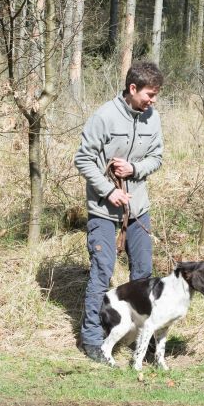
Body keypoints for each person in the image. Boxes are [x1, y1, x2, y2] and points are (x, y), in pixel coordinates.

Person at [74, 62, 164, 364]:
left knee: (143, 275)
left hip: (139, 211)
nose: (153, 101)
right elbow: (83, 160)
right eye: (149, 95)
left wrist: (135, 168)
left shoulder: (153, 118)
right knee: (102, 271)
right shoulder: (104, 116)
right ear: (133, 88)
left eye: (156, 96)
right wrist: (110, 190)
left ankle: (142, 339)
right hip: (103, 210)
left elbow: (157, 157)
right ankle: (92, 339)